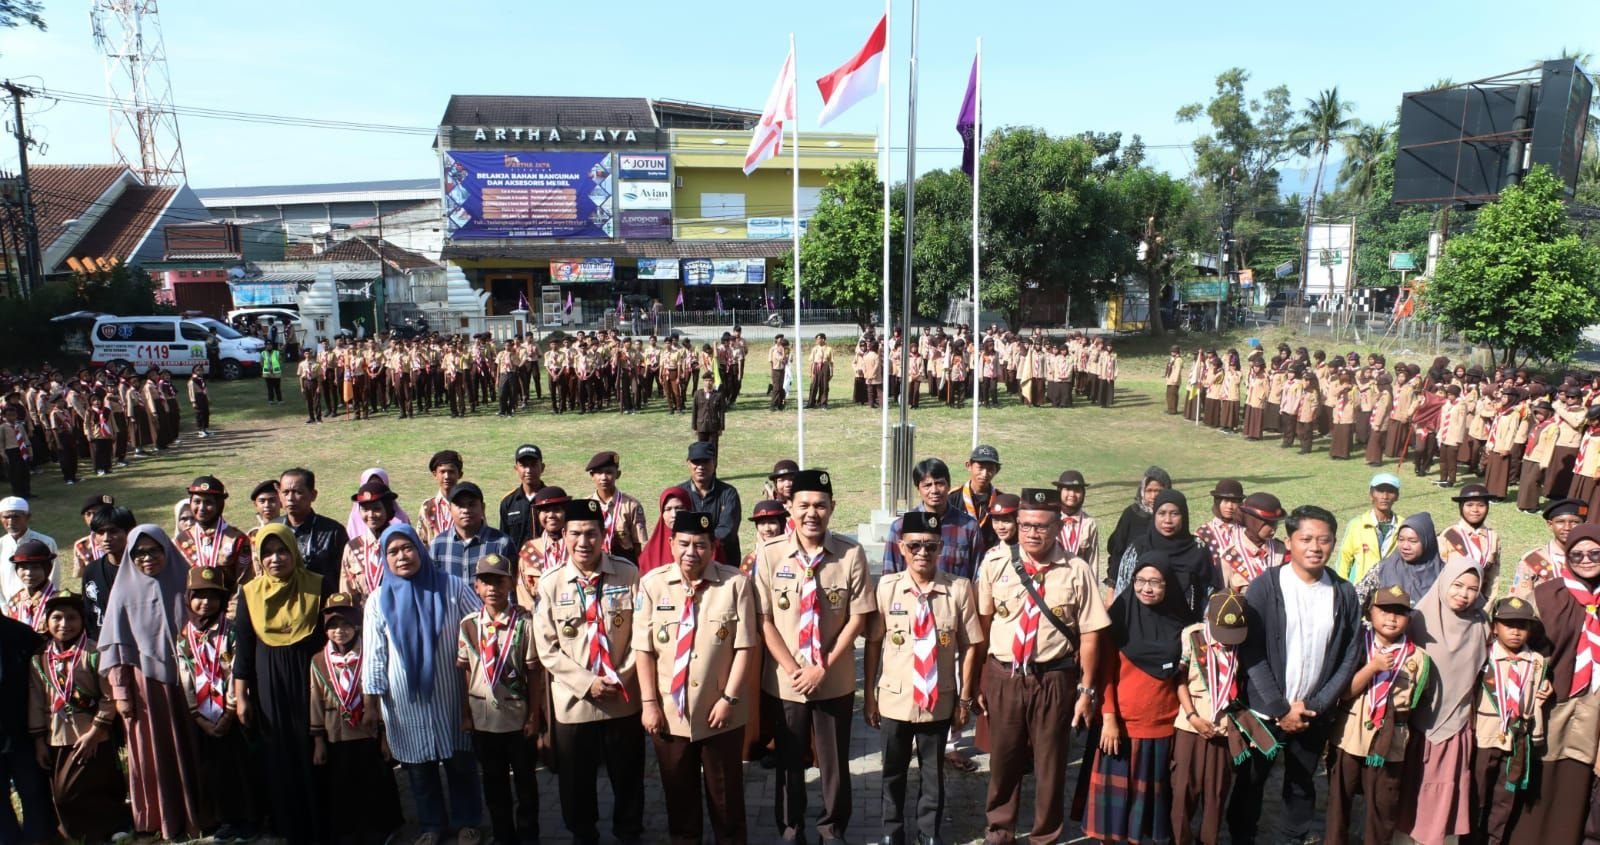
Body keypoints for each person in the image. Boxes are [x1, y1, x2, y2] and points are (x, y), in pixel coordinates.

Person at [976, 488, 1109, 844]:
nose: (1032, 533)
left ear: (1057, 527)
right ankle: (999, 832)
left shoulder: (1077, 571)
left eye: (1041, 526)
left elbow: (1092, 635)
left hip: (1054, 678)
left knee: (1051, 764)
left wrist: (1086, 691)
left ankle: (1045, 835)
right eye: (1025, 525)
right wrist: (980, 680)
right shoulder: (994, 563)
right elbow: (984, 625)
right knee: (1003, 761)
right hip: (1005, 676)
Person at [1228, 505, 1361, 845]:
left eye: (1324, 540)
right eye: (1306, 539)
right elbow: (1252, 651)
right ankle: (1242, 837)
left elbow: (1348, 654)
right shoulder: (1266, 586)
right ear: (1290, 541)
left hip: (1313, 714)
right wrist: (1278, 707)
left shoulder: (1343, 592)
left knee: (1301, 784)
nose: (1315, 547)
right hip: (1264, 710)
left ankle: (1293, 838)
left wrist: (1315, 704)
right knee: (1251, 782)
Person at [753, 469, 873, 844]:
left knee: (835, 763)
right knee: (788, 762)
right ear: (789, 506)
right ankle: (791, 829)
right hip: (786, 682)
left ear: (832, 507)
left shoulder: (851, 553)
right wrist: (794, 669)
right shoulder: (771, 555)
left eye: (820, 505)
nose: (812, 513)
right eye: (803, 505)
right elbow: (764, 620)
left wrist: (824, 666)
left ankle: (832, 828)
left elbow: (858, 617)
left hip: (832, 678)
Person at [635, 510, 757, 845]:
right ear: (671, 544)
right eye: (685, 543)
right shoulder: (652, 584)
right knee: (679, 798)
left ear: (712, 547)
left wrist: (729, 699)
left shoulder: (735, 584)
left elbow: (745, 647)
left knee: (727, 799)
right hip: (670, 715)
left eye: (700, 545)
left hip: (721, 713)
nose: (692, 551)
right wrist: (649, 704)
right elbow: (642, 650)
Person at [864, 511, 983, 845]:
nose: (922, 553)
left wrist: (964, 700)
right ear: (902, 548)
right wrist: (870, 696)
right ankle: (891, 831)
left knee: (933, 775)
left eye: (930, 546)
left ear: (940, 548)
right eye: (914, 545)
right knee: (892, 773)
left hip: (938, 701)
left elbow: (971, 646)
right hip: (895, 699)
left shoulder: (958, 589)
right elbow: (874, 642)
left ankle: (928, 834)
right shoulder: (887, 588)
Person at [362, 525, 485, 845]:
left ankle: (468, 822)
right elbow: (374, 655)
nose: (402, 556)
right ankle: (432, 824)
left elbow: (482, 629)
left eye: (408, 548)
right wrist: (371, 705)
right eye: (393, 552)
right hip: (403, 703)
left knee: (460, 763)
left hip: (452, 696)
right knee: (418, 768)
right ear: (384, 558)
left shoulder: (452, 587)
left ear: (420, 549)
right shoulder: (377, 601)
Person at [531, 499, 644, 845]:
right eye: (576, 534)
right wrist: (587, 683)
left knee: (627, 776)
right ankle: (583, 834)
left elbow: (643, 635)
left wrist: (618, 677)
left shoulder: (627, 574)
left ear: (604, 534)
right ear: (563, 535)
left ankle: (628, 833)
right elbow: (546, 647)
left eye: (591, 534)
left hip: (621, 698)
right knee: (576, 782)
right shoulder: (550, 583)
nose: (584, 542)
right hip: (574, 702)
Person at [98, 524, 205, 841]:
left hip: (189, 682)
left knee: (193, 747)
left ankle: (199, 814)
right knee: (153, 751)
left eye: (154, 550)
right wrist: (121, 694)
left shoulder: (185, 581)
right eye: (139, 553)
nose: (147, 558)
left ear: (167, 550)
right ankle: (162, 818)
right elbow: (116, 648)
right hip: (144, 685)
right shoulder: (123, 591)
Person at [1080, 552, 1187, 845]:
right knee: (1111, 824)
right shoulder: (1120, 618)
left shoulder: (1181, 623)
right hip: (1120, 729)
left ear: (1169, 585)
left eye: (1155, 582)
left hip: (1162, 729)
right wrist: (1109, 719)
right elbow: (1106, 674)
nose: (1146, 588)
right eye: (1140, 580)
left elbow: (1184, 679)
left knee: (1145, 816)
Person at [233, 524, 325, 843]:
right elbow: (243, 648)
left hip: (309, 680)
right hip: (268, 683)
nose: (276, 558)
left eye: (282, 550)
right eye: (268, 553)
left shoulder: (316, 585)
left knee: (313, 743)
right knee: (279, 748)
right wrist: (241, 696)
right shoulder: (250, 594)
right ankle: (288, 824)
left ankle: (320, 820)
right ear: (259, 558)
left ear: (293, 551)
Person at [1322, 584, 1430, 845]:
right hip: (1350, 736)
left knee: (1382, 806)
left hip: (1390, 743)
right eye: (1384, 611)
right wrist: (1372, 667)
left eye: (1400, 613)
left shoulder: (1419, 658)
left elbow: (1415, 702)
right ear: (1370, 612)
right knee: (1339, 801)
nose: (1391, 618)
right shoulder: (1355, 647)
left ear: (1409, 618)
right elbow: (1344, 692)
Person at [27, 591, 128, 843]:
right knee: (63, 792)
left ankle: (113, 825)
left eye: (72, 618)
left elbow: (109, 696)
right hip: (57, 735)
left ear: (82, 620)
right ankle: (78, 831)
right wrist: (39, 740)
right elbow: (37, 701)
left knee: (98, 783)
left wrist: (95, 732)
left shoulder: (94, 653)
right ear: (46, 622)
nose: (64, 624)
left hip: (93, 733)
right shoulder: (39, 659)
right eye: (57, 618)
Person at [458, 553, 543, 845]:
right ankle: (504, 836)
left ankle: (529, 835)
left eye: (499, 580)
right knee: (493, 785)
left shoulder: (525, 622)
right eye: (485, 581)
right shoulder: (468, 625)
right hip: (483, 719)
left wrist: (534, 716)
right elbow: (465, 671)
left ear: (511, 583)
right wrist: (466, 714)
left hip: (517, 717)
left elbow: (534, 673)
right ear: (476, 587)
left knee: (526, 783)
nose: (492, 587)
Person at [1403, 557, 1488, 845]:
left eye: (1472, 589)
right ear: (1443, 583)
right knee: (1410, 794)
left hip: (1457, 726)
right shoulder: (1417, 620)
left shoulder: (1481, 625)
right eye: (1458, 585)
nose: (1464, 594)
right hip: (1416, 728)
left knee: (1445, 794)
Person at [174, 567, 256, 842]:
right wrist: (197, 716)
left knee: (240, 768)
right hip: (203, 717)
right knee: (212, 769)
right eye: (199, 596)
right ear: (189, 599)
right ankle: (224, 820)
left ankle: (248, 821)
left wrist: (230, 712)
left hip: (231, 715)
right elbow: (184, 675)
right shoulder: (184, 636)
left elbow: (237, 671)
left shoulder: (232, 631)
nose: (205, 603)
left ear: (223, 600)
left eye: (212, 597)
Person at [1170, 592, 1259, 845]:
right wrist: (1192, 716)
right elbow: (1179, 680)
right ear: (1208, 617)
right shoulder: (1192, 636)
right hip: (1191, 724)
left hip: (1224, 729)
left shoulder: (1242, 641)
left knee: (1217, 794)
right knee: (1183, 792)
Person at [1471, 596, 1549, 845]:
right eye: (1508, 624)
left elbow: (1535, 697)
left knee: (1505, 799)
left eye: (1522, 625)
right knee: (1477, 795)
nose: (1515, 631)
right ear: (1495, 626)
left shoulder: (1536, 662)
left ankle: (1495, 841)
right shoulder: (1484, 656)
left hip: (1517, 740)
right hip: (1484, 736)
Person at [1109, 490, 1218, 621]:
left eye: (1175, 514)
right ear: (1154, 515)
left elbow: (1209, 594)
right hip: (1140, 628)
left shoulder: (1198, 549)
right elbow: (1122, 592)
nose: (1168, 520)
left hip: (1185, 630)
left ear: (1184, 515)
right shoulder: (1138, 548)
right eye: (1162, 513)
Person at [883, 458, 986, 580]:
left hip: (954, 597)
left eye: (939, 483)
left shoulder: (969, 527)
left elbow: (977, 577)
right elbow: (890, 577)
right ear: (918, 490)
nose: (934, 490)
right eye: (927, 485)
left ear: (949, 486)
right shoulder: (901, 527)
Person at [276, 468, 349, 596]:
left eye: (298, 492)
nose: (290, 498)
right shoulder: (273, 529)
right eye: (285, 492)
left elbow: (343, 577)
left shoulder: (333, 532)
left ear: (313, 495)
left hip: (320, 606)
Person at [1356, 512, 1445, 609]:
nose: (1405, 546)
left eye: (1413, 541)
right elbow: (1354, 602)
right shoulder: (1383, 569)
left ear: (1428, 542)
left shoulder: (1445, 574)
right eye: (1401, 539)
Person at [177, 475, 251, 589]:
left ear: (220, 505)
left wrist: (232, 606)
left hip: (229, 604)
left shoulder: (237, 539)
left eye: (208, 502)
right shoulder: (181, 540)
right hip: (191, 606)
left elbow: (245, 582)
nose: (202, 508)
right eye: (197, 501)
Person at [430, 481, 511, 584]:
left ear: (482, 508)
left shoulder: (501, 543)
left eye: (471, 504)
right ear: (450, 509)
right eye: (460, 505)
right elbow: (432, 584)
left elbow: (510, 587)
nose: (466, 510)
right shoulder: (438, 544)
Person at [681, 442, 742, 565]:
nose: (700, 467)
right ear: (688, 463)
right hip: (688, 560)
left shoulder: (728, 493)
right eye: (696, 462)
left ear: (714, 463)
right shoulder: (680, 494)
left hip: (723, 562)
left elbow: (727, 529)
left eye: (705, 461)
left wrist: (702, 545)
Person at [1336, 473, 1401, 584]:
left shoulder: (1403, 525)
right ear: (1371, 494)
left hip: (1390, 590)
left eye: (1390, 491)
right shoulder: (1357, 525)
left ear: (1397, 496)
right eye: (1380, 491)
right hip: (1358, 590)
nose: (1385, 496)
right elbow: (1344, 559)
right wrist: (1342, 589)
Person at [1511, 498, 1584, 597]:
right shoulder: (1533, 559)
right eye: (1560, 522)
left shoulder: (1592, 558)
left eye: (1575, 522)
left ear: (1584, 525)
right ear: (1550, 525)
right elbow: (1520, 598)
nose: (1567, 527)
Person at [1438, 483, 1503, 593]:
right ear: (1461, 507)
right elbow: (1439, 573)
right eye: (1469, 505)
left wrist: (1487, 605)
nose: (1475, 510)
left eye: (1481, 505)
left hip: (1481, 602)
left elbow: (1494, 577)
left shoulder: (1493, 537)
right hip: (1453, 597)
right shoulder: (1449, 535)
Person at [586, 451, 648, 563]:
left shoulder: (631, 505)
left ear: (618, 474)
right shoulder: (585, 505)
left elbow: (638, 545)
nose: (604, 477)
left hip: (624, 563)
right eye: (599, 473)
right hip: (594, 563)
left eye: (609, 472)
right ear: (592, 476)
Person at [82, 505, 134, 638]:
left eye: (113, 531)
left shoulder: (142, 568)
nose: (106, 538)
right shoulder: (91, 571)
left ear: (129, 531)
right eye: (100, 532)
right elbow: (89, 614)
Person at [1105, 466, 1171, 569]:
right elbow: (1117, 549)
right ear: (1142, 491)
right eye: (1149, 491)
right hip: (1131, 574)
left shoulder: (1171, 516)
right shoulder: (1131, 514)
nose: (1153, 496)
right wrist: (1112, 580)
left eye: (1158, 491)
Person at [0, 497, 57, 616]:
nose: (10, 522)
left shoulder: (46, 542)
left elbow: (54, 577)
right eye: (6, 517)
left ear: (27, 517)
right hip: (9, 611)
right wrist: (6, 609)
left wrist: (45, 605)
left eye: (16, 517)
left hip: (41, 609)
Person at [948, 445, 1004, 549]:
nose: (985, 474)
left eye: (990, 469)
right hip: (960, 556)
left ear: (997, 470)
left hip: (990, 558)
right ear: (968, 465)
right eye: (980, 468)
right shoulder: (953, 498)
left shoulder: (1002, 500)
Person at [498, 445, 546, 554]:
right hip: (517, 567)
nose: (528, 470)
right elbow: (503, 540)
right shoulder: (508, 502)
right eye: (523, 465)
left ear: (542, 467)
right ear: (516, 469)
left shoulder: (552, 499)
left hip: (548, 564)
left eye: (533, 465)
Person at [1053, 470, 1101, 576]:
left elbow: (1093, 561)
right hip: (1053, 582)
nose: (1072, 494)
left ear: (1083, 494)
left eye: (1077, 490)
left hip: (1079, 582)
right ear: (1059, 491)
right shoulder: (1050, 520)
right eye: (1067, 489)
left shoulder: (1089, 524)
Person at [637, 486, 694, 576]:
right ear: (662, 514)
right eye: (668, 509)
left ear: (689, 509)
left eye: (679, 508)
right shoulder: (650, 552)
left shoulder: (706, 544)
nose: (674, 514)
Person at [5, 540, 56, 631]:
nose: (28, 573)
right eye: (23, 567)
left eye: (35, 567)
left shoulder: (60, 601)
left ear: (48, 569)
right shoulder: (15, 601)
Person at [418, 450, 465, 547]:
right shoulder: (427, 507)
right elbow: (421, 542)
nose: (447, 476)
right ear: (435, 474)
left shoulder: (468, 505)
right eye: (442, 472)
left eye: (451, 472)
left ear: (460, 474)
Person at [692, 373, 728, 445]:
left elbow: (721, 413)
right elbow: (694, 411)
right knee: (701, 450)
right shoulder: (697, 394)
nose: (708, 382)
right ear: (703, 381)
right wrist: (694, 427)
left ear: (713, 381)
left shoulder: (718, 395)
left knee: (713, 450)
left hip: (713, 426)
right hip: (701, 426)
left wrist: (721, 427)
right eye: (706, 380)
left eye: (710, 380)